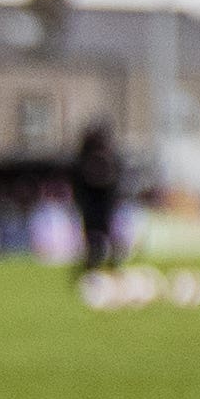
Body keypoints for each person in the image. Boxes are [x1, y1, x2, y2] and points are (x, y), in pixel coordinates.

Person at [68, 118, 127, 280]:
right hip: (90, 201)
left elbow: (113, 180)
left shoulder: (107, 155)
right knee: (93, 234)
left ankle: (110, 264)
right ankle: (94, 264)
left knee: (104, 232)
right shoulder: (84, 157)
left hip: (103, 201)